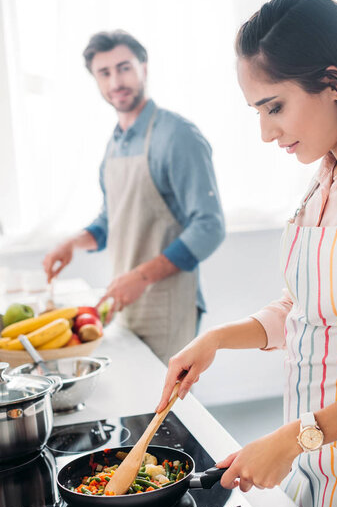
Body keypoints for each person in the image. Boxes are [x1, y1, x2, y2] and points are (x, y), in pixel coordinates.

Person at [157, 0, 337, 507]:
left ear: (333, 82)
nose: (267, 134)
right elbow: (307, 306)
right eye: (259, 113)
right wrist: (218, 338)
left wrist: (294, 438)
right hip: (314, 456)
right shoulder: (326, 178)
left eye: (275, 107)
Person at [43, 30, 225, 363]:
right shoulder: (114, 142)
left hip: (168, 301)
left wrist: (142, 276)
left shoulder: (177, 135)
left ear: (144, 66)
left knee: (167, 410)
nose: (116, 81)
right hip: (127, 301)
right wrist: (73, 243)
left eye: (124, 67)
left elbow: (209, 226)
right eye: (105, 73)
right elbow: (112, 217)